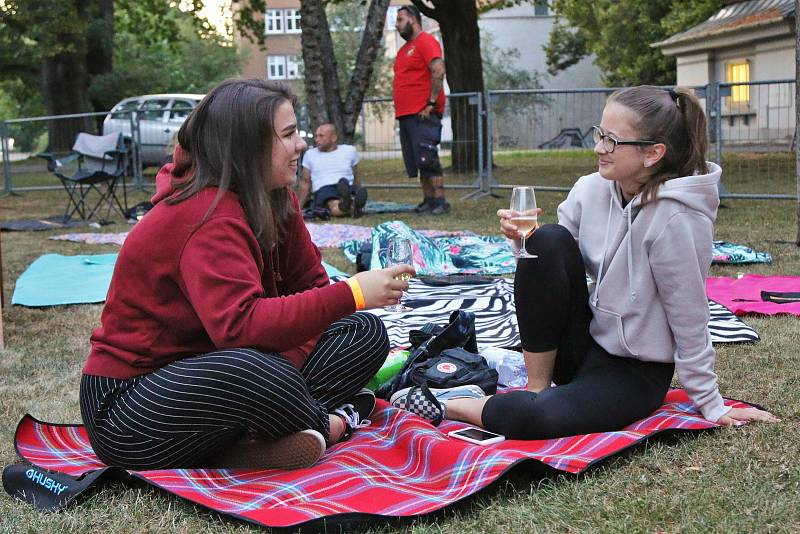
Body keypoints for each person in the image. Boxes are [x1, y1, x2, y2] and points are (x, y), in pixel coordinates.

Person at [391, 85, 779, 437]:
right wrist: (521, 243)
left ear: (652, 153)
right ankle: (536, 388)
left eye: (612, 140)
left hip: (635, 372)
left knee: (539, 421)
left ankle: (450, 404)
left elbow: (690, 314)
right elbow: (548, 270)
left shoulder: (678, 219)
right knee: (545, 239)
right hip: (586, 341)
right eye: (599, 133)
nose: (598, 147)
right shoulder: (590, 189)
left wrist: (710, 402)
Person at [79, 79, 416, 471]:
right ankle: (330, 421)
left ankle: (252, 439)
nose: (301, 145)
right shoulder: (202, 215)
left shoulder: (277, 198)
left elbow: (311, 290)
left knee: (363, 332)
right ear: (248, 145)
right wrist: (353, 292)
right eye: (289, 135)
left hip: (229, 371)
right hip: (130, 409)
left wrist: (284, 360)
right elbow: (239, 328)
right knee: (257, 368)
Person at [393, 4, 448, 215]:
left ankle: (440, 201)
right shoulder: (404, 50)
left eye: (400, 20)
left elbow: (438, 70)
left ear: (413, 20)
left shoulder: (426, 41)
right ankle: (428, 200)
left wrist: (431, 103)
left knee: (428, 157)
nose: (397, 25)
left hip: (423, 113)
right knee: (418, 160)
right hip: (407, 115)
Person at [298, 123, 368, 218]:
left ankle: (348, 203)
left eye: (321, 136)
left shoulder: (350, 150)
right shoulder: (310, 154)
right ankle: (352, 207)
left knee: (345, 195)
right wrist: (298, 209)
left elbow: (356, 176)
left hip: (346, 186)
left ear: (333, 138)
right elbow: (306, 183)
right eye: (316, 136)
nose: (316, 139)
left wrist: (358, 189)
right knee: (332, 204)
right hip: (324, 189)